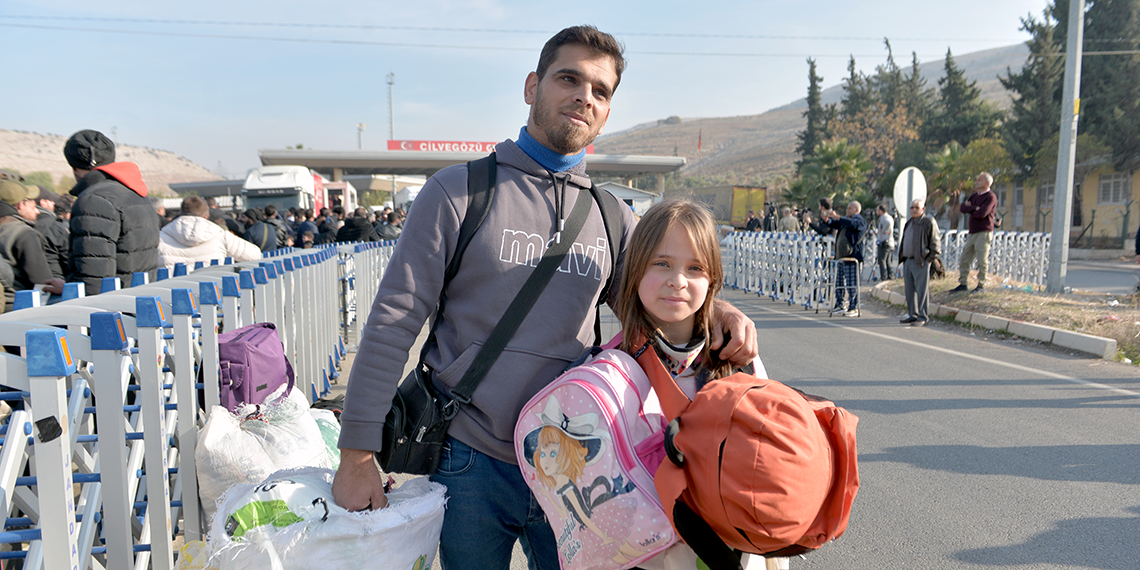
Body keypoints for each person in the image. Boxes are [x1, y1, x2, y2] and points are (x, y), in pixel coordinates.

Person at [332, 25, 757, 570]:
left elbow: (660, 298)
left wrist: (716, 309)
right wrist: (357, 454)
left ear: (606, 112)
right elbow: (393, 322)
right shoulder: (458, 193)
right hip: (469, 461)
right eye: (569, 78)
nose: (585, 96)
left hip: (577, 467)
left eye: (601, 91)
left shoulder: (613, 218)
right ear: (532, 86)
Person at [614, 199, 783, 570]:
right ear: (635, 269)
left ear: (713, 281)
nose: (678, 280)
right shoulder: (610, 375)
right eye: (662, 263)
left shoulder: (742, 364)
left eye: (695, 268)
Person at [63, 129, 160, 295]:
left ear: (74, 167)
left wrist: (69, 290)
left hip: (114, 309)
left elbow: (93, 278)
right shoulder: (137, 193)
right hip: (140, 300)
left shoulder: (93, 200)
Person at [0, 180, 64, 311]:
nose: (38, 212)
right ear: (20, 205)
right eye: (30, 202)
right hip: (17, 308)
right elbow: (42, 282)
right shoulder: (24, 234)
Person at [157, 196, 262, 270]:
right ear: (206, 215)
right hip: (213, 295)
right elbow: (255, 255)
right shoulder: (221, 235)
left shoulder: (160, 237)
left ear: (180, 213)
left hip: (171, 297)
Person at [952, 172, 997, 293]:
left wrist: (973, 208)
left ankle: (981, 284)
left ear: (987, 183)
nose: (976, 182)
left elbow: (982, 213)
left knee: (982, 260)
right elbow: (963, 208)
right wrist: (974, 208)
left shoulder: (990, 197)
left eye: (979, 180)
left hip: (984, 232)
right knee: (965, 258)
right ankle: (963, 283)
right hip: (972, 232)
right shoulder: (973, 196)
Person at [897, 199, 941, 327]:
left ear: (923, 209)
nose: (914, 210)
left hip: (920, 261)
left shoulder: (928, 222)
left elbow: (936, 243)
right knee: (909, 290)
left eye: (917, 207)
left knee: (922, 291)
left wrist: (929, 260)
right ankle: (913, 315)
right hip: (908, 260)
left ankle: (922, 316)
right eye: (912, 208)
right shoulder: (909, 222)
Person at [823, 200, 866, 316]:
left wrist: (838, 216)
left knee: (852, 283)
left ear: (857, 210)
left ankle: (854, 306)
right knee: (839, 282)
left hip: (852, 258)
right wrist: (827, 219)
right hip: (841, 257)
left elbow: (853, 224)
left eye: (850, 208)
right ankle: (840, 304)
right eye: (847, 208)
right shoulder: (845, 222)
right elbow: (835, 224)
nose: (847, 210)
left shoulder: (859, 221)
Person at [31, 187, 69, 280]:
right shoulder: (55, 226)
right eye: (50, 201)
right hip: (57, 281)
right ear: (43, 203)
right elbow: (68, 259)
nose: (53, 203)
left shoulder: (25, 224)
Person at [874, 204, 895, 282]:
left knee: (882, 260)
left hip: (885, 243)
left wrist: (883, 231)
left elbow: (887, 224)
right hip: (890, 242)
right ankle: (890, 275)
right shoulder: (889, 217)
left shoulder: (884, 218)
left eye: (877, 210)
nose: (876, 212)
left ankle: (884, 277)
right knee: (887, 261)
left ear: (881, 211)